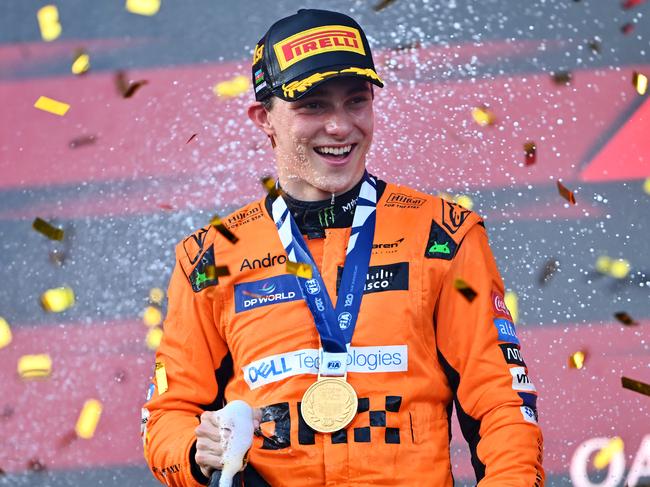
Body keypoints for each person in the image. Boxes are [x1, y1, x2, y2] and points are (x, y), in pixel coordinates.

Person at [142, 8, 544, 487]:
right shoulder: (210, 256)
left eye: (356, 101)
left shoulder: (443, 234)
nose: (339, 127)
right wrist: (194, 450)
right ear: (263, 119)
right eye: (312, 105)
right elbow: (167, 415)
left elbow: (502, 401)